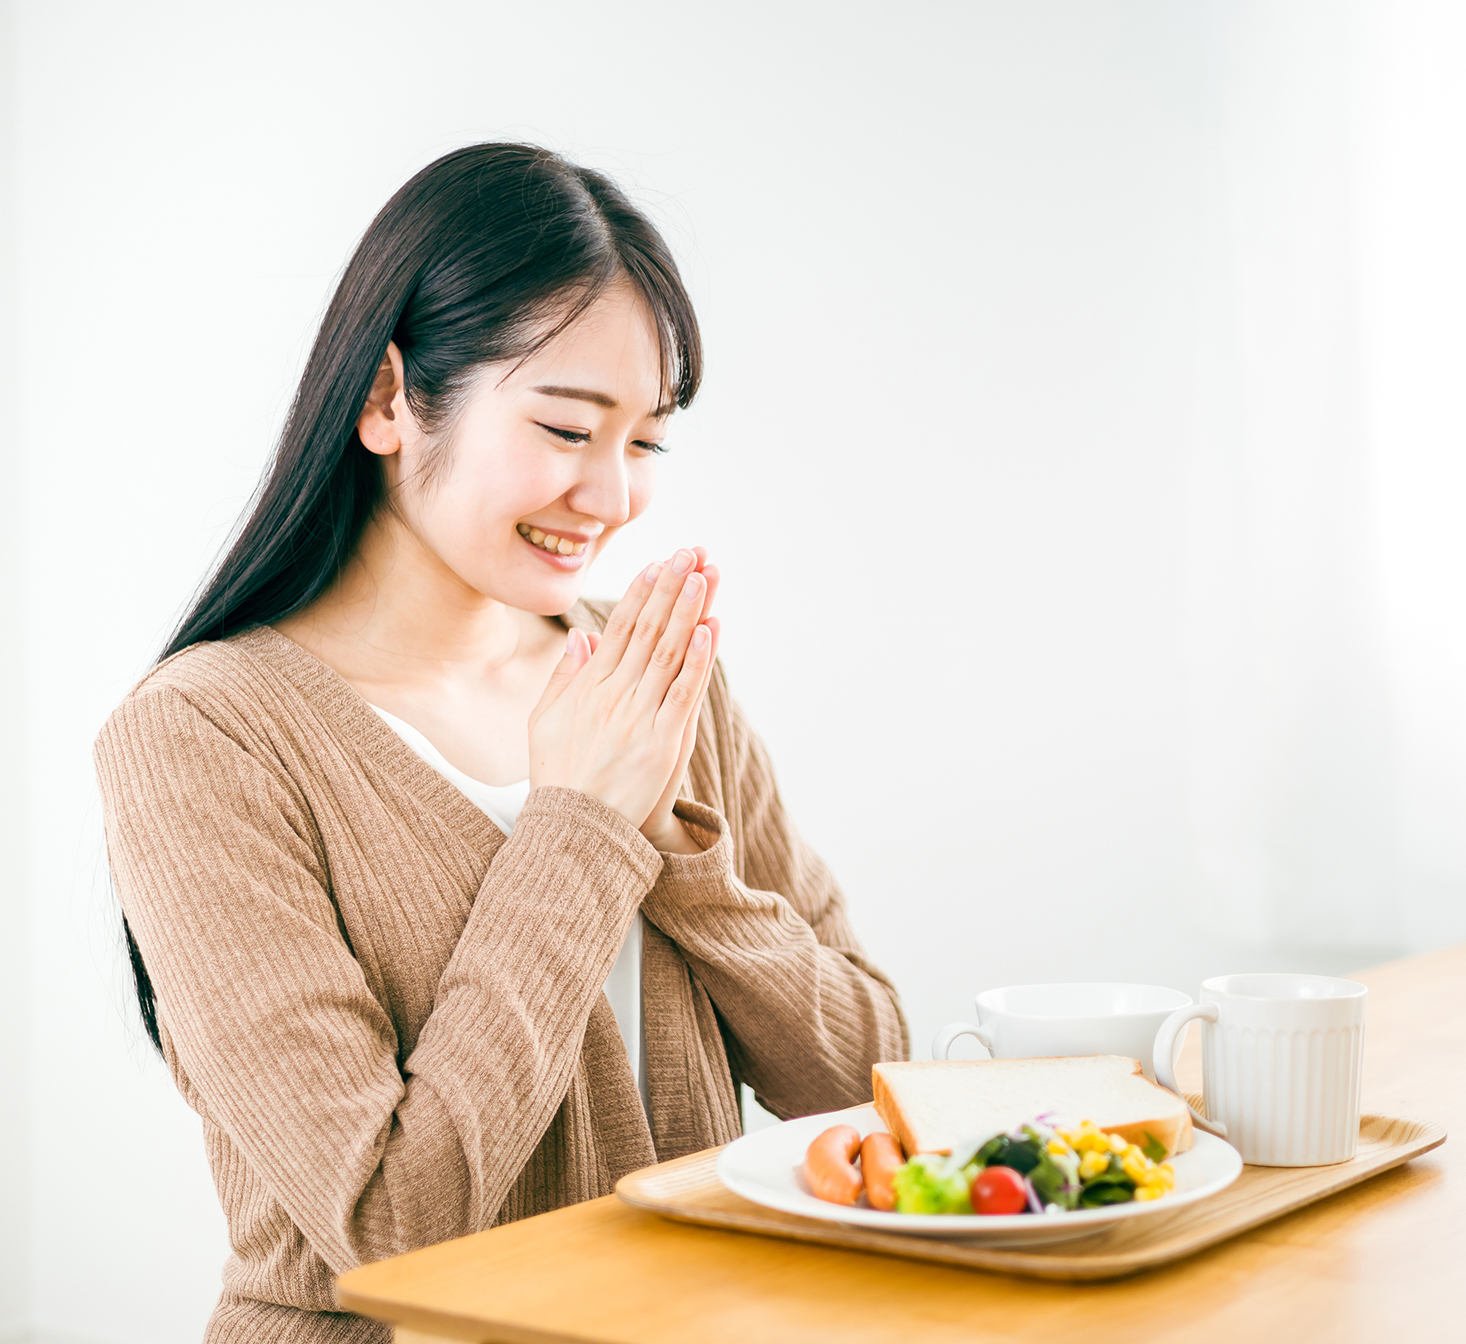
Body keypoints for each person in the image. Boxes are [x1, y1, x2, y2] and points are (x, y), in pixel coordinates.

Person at [94, 143, 907, 1343]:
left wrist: (671, 848)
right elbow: (390, 1226)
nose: (613, 496)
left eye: (644, 443)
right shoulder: (202, 736)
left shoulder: (650, 679)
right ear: (385, 400)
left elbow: (868, 1083)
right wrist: (579, 828)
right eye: (567, 429)